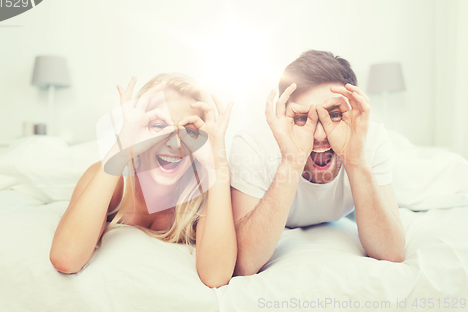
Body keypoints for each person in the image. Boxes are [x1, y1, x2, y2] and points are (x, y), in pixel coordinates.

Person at [50, 73, 236, 288]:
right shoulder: (112, 178)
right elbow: (66, 259)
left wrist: (218, 165)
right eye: (158, 127)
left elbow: (216, 277)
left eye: (189, 132)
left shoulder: (203, 190)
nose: (175, 144)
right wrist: (123, 147)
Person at [230, 50, 405, 276]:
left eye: (334, 114)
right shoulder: (252, 144)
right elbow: (244, 263)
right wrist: (291, 162)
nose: (321, 134)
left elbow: (392, 253)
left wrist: (355, 160)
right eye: (303, 118)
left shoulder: (372, 139)